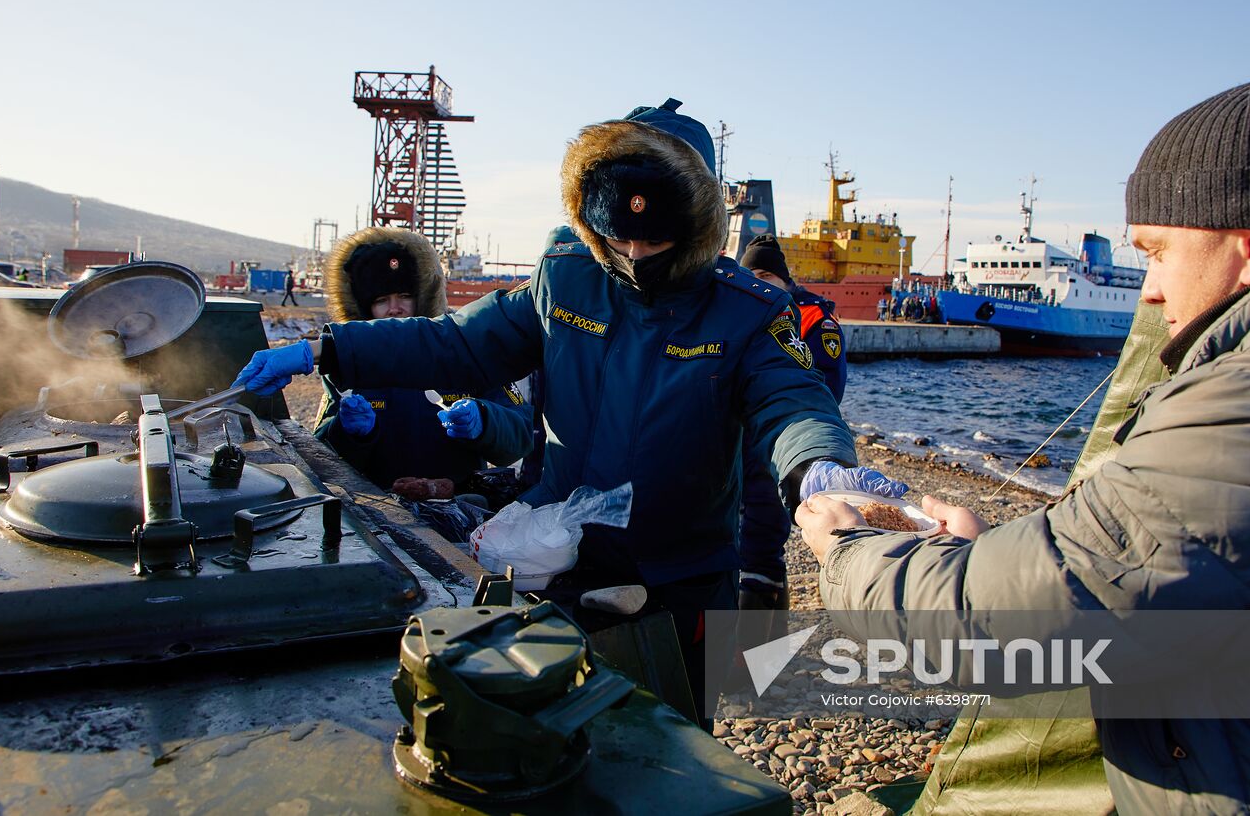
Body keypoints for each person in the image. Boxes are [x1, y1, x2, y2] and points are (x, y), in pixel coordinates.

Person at [235, 98, 899, 720]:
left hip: (684, 577)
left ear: (696, 219)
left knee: (677, 740)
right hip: (559, 560)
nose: (635, 254)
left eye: (655, 237)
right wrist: (329, 349)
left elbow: (792, 399)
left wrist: (818, 469)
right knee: (552, 725)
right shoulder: (565, 278)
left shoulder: (748, 310)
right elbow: (457, 344)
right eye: (620, 236)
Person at [796, 76, 1250, 812]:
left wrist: (850, 551)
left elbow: (1022, 615)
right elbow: (1146, 571)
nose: (1149, 291)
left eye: (1157, 251)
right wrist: (985, 550)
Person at [313, 226, 533, 492]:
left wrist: (485, 422)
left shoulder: (465, 349)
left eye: (405, 296)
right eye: (382, 299)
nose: (395, 308)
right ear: (363, 305)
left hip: (458, 510)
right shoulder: (346, 367)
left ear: (423, 295)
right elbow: (320, 459)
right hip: (377, 515)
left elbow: (521, 436)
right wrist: (347, 433)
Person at [735, 233, 857, 610]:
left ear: (782, 278)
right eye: (749, 274)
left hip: (778, 447)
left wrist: (804, 445)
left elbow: (823, 387)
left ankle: (758, 649)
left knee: (761, 545)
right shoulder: (741, 308)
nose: (756, 282)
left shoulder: (814, 318)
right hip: (739, 445)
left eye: (763, 275)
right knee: (737, 545)